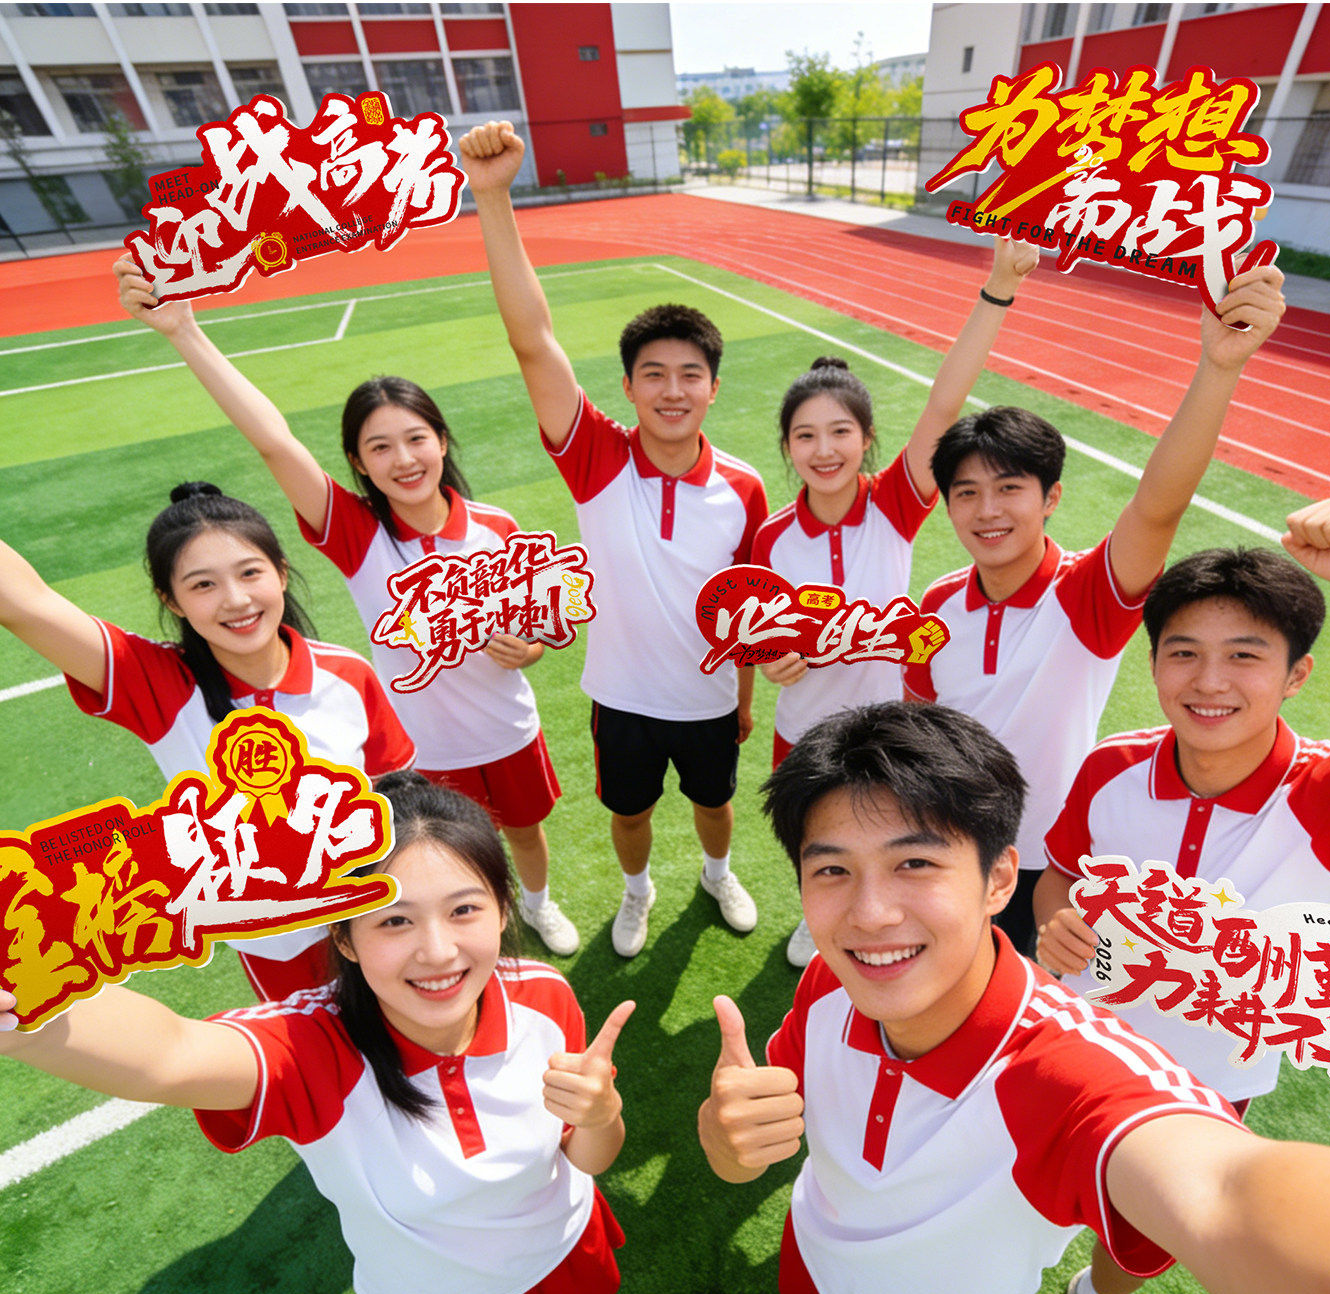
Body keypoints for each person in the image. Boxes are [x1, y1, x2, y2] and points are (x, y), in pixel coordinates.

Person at [697, 701, 1330, 1294]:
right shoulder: (833, 978)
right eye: (832, 869)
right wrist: (728, 1142)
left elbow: (1224, 1191)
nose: (870, 914)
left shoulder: (1066, 1074)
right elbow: (765, 1126)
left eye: (914, 863)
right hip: (816, 1246)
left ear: (999, 880)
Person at [0, 771, 639, 1294]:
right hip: (442, 1292)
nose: (438, 951)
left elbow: (588, 1156)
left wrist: (602, 1115)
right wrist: (20, 1009)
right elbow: (170, 1055)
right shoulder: (312, 1049)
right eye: (394, 920)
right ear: (344, 938)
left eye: (464, 910)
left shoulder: (543, 995)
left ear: (503, 911)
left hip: (561, 1233)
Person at [1032, 491, 1330, 1294]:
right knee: (1026, 1185)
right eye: (1183, 651)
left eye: (1245, 655)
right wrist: (1056, 923)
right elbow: (1060, 873)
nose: (1208, 681)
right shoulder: (1113, 766)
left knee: (1143, 1238)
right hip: (1073, 1043)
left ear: (1296, 674)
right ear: (1154, 661)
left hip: (1204, 1085)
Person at [112, 257, 580, 959]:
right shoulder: (357, 535)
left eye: (416, 439)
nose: (404, 459)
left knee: (524, 830)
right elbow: (275, 442)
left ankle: (536, 905)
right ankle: (479, 926)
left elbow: (537, 626)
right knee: (437, 859)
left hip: (507, 727)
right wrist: (185, 332)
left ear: (441, 440)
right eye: (379, 447)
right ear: (358, 464)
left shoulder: (498, 527)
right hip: (417, 750)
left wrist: (531, 649)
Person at [904, 264, 1286, 956]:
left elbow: (1158, 505)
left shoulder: (1085, 593)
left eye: (1009, 488)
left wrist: (1218, 368)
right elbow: (921, 724)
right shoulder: (937, 603)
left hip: (1045, 860)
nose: (987, 511)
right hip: (948, 843)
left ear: (1050, 498)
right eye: (966, 493)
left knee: (1022, 1001)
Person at [458, 120, 770, 959]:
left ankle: (716, 873)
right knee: (628, 814)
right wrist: (494, 198)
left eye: (690, 375)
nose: (673, 390)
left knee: (714, 803)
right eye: (654, 375)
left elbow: (747, 606)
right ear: (628, 387)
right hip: (623, 698)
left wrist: (743, 699)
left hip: (708, 699)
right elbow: (533, 341)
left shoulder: (744, 486)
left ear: (712, 388)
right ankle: (638, 893)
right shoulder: (597, 457)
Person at [0, 482, 414, 1001]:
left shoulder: (347, 675)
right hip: (275, 944)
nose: (236, 600)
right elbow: (23, 603)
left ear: (282, 572)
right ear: (170, 599)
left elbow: (403, 800)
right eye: (203, 585)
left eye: (250, 572)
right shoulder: (156, 684)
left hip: (376, 922)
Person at [754, 235, 1038, 965]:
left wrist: (999, 288)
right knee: (816, 842)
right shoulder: (771, 536)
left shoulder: (894, 504)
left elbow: (947, 398)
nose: (824, 450)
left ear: (867, 439)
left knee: (887, 841)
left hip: (886, 726)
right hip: (803, 726)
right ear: (787, 447)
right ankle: (815, 918)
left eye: (840, 433)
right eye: (806, 436)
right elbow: (760, 636)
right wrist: (771, 661)